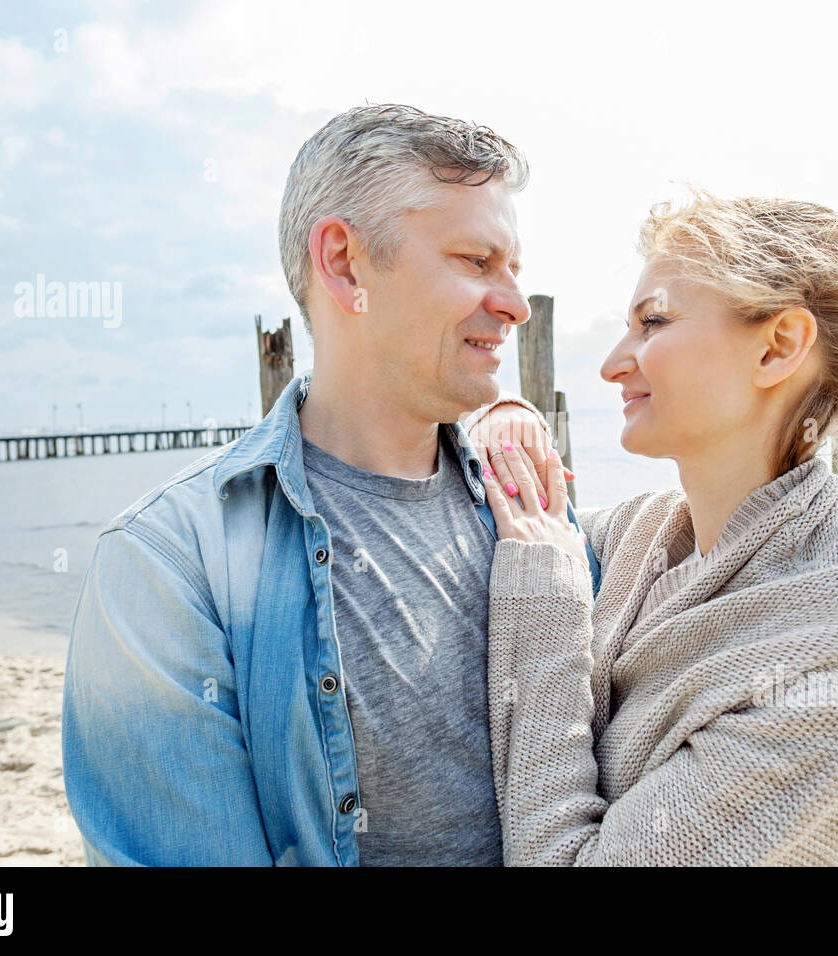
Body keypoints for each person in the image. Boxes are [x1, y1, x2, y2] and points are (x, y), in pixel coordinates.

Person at [60, 103, 601, 866]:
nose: (513, 302)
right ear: (346, 264)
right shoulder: (166, 564)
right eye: (477, 262)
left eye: (513, 270)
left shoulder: (536, 512)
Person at [469, 191, 838, 865]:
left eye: (653, 322)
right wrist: (504, 415)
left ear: (778, 347)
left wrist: (545, 597)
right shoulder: (642, 537)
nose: (614, 362)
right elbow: (504, 521)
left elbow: (538, 570)